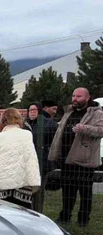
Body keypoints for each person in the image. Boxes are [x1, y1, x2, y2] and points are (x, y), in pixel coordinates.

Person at [47, 88, 103, 227]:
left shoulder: (97, 113)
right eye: (73, 96)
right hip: (67, 158)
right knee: (67, 190)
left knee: (85, 192)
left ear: (88, 97)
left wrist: (84, 128)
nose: (75, 99)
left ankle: (83, 220)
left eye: (78, 96)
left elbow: (101, 130)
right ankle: (65, 216)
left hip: (84, 160)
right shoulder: (69, 111)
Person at [0, 108, 41, 209]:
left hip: (2, 183)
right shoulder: (27, 135)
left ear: (3, 121)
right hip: (24, 182)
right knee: (22, 214)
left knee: (3, 215)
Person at [25, 102, 58, 213]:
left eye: (35, 109)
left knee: (38, 190)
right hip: (27, 162)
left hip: (42, 163)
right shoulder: (25, 124)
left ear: (39, 111)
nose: (32, 112)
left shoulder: (49, 124)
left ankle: (38, 212)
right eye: (30, 110)